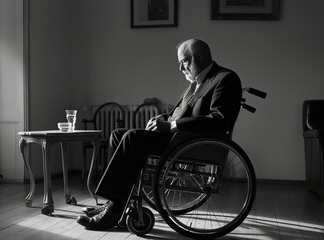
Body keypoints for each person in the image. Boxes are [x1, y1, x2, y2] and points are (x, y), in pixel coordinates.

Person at [77, 38, 242, 230]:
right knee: (118, 134)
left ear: (198, 57)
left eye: (184, 61)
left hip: (192, 142)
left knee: (132, 138)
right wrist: (162, 118)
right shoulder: (196, 82)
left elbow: (219, 120)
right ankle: (117, 203)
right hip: (178, 137)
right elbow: (179, 112)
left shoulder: (225, 78)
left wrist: (171, 125)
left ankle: (114, 210)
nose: (181, 68)